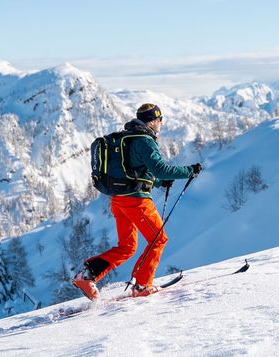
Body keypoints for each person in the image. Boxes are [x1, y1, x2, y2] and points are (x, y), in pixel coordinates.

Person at [72, 103, 201, 299]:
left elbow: (136, 170)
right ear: (153, 120)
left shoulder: (127, 138)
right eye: (160, 120)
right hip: (136, 201)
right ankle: (142, 286)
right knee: (159, 239)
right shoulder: (144, 140)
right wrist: (189, 171)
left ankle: (87, 275)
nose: (161, 124)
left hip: (119, 200)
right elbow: (160, 169)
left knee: (127, 247)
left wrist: (158, 183)